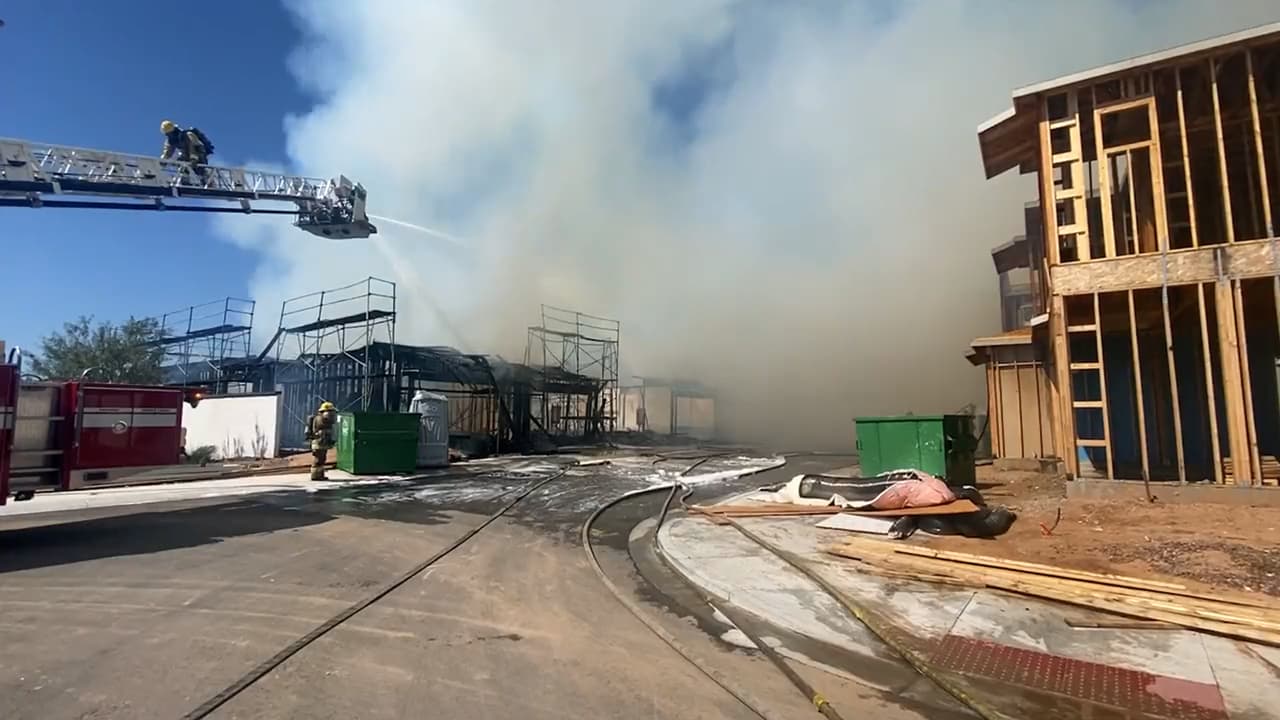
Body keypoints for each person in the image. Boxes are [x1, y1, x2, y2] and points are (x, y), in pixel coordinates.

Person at [305, 401, 338, 481]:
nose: (332, 414)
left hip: (320, 442)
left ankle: (319, 475)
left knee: (321, 459)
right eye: (330, 411)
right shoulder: (322, 418)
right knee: (318, 460)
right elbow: (330, 421)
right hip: (319, 442)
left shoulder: (317, 418)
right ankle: (315, 476)